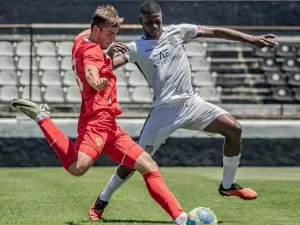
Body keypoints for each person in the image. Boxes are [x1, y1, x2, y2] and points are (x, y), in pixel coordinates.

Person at [88, 0, 278, 221]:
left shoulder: (178, 31)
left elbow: (215, 31)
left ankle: (227, 185)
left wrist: (252, 40)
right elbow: (107, 67)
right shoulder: (136, 47)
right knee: (134, 161)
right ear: (141, 22)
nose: (155, 26)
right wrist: (109, 53)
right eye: (150, 23)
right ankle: (102, 200)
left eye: (158, 21)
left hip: (191, 103)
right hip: (162, 113)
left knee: (234, 129)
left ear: (162, 18)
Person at [10, 5, 192, 225]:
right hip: (95, 123)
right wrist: (96, 82)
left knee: (148, 165)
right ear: (96, 30)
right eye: (110, 34)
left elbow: (85, 38)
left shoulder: (82, 42)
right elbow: (91, 69)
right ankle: (42, 118)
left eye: (115, 34)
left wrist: (109, 43)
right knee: (77, 168)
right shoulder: (92, 52)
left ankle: (180, 218)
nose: (113, 38)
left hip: (109, 126)